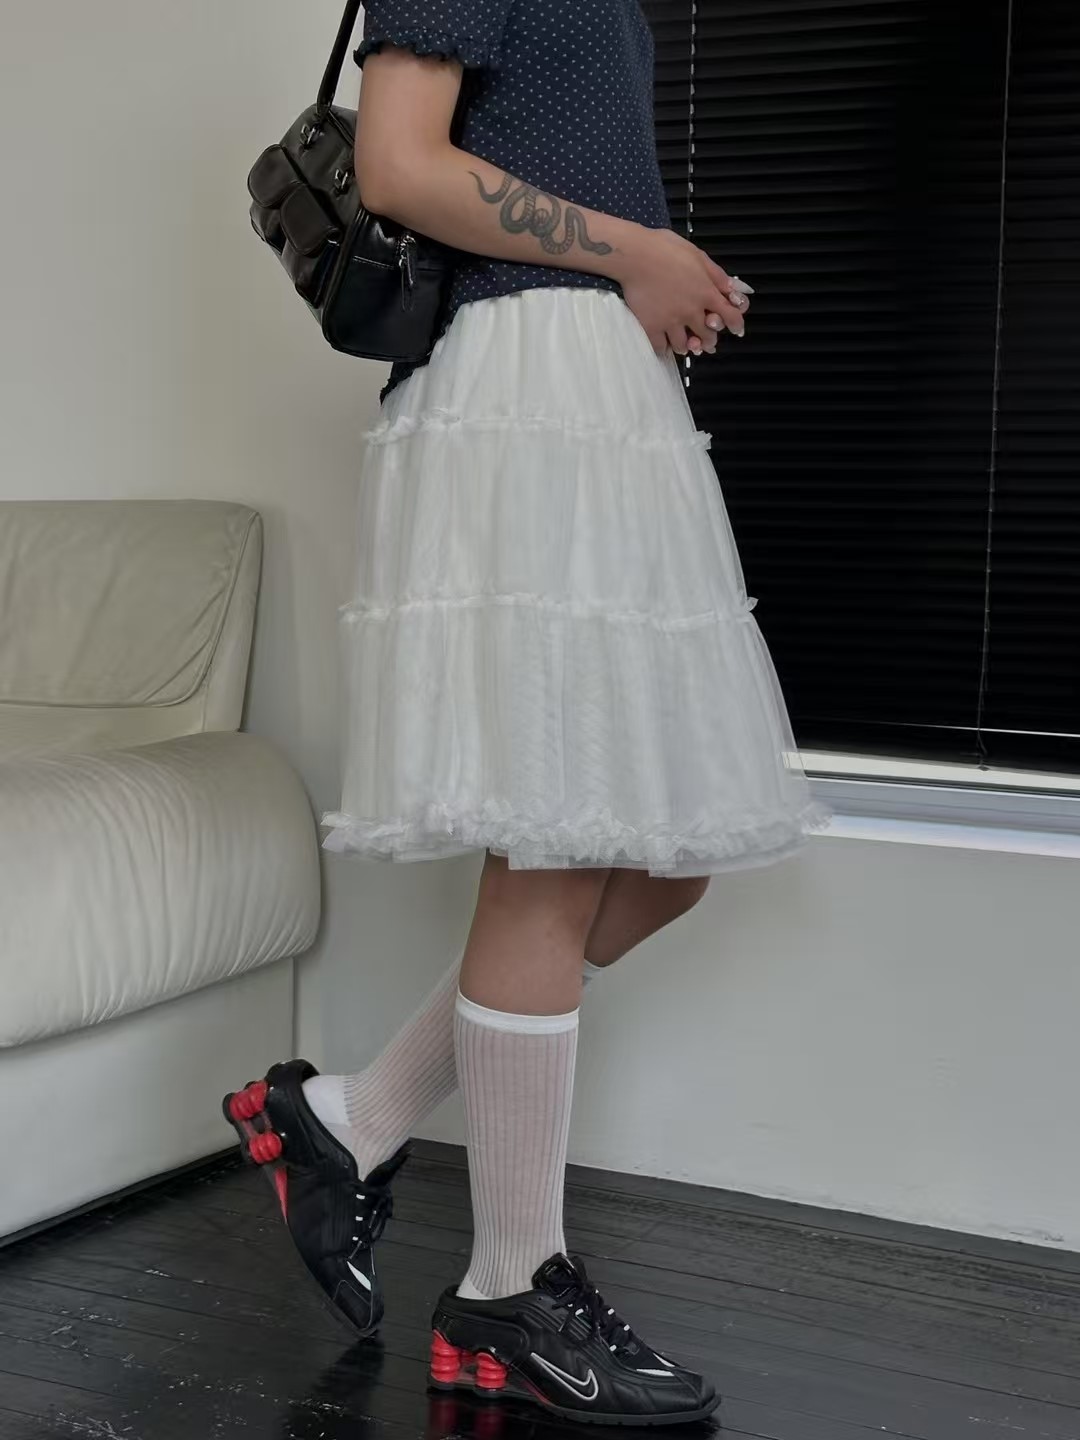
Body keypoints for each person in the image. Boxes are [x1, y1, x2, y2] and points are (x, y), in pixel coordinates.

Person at [225, 0, 824, 1425]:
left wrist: (642, 276)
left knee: (659, 855)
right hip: (526, 394)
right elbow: (399, 164)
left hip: (596, 395)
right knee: (554, 846)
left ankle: (352, 1121)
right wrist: (641, 253)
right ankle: (506, 1289)